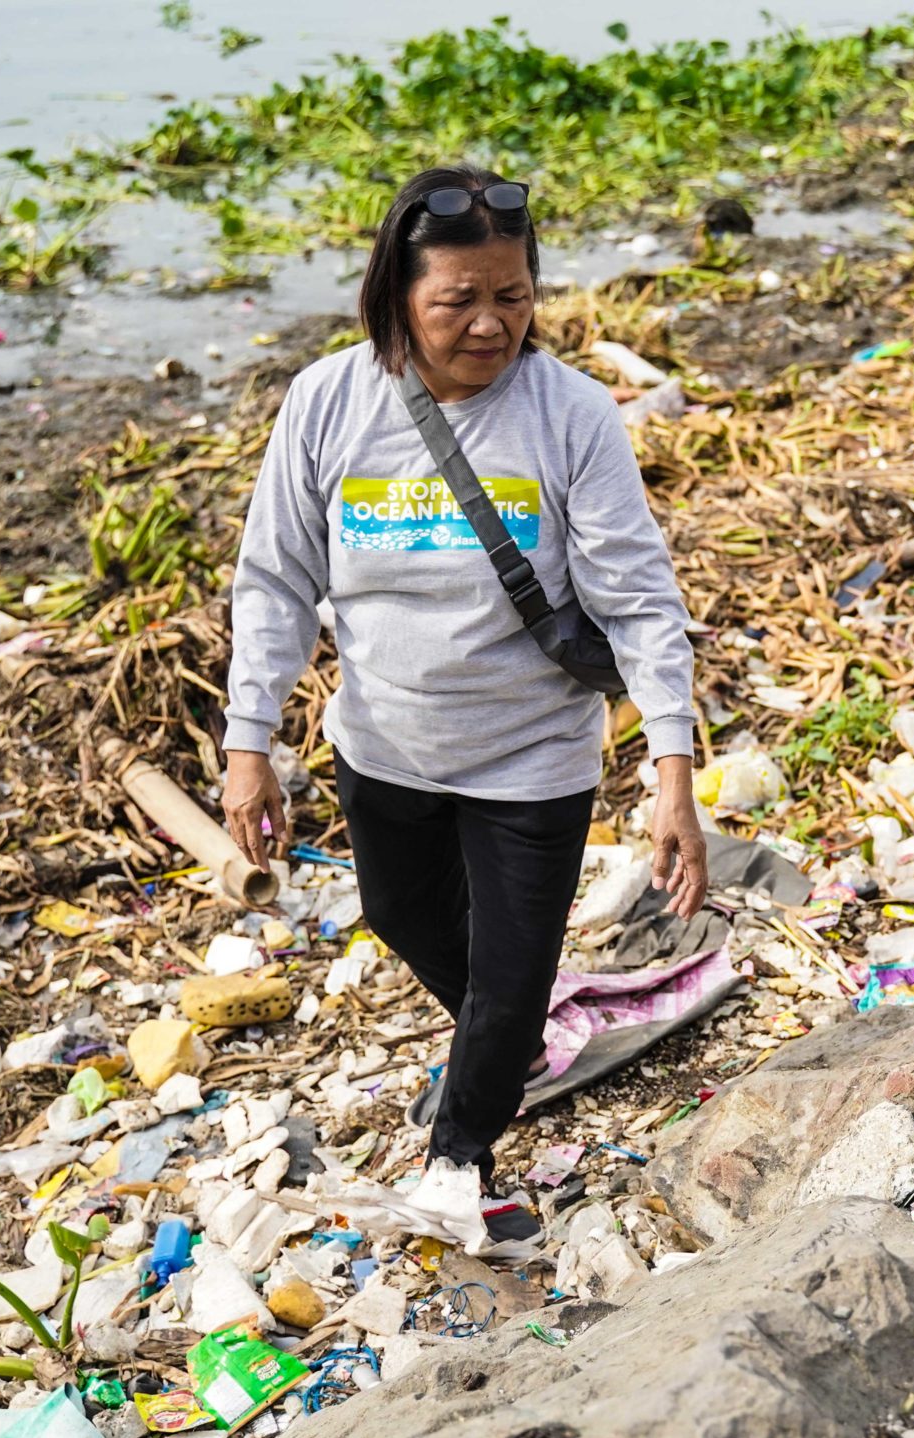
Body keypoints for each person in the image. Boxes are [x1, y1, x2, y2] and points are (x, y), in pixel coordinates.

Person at [219, 164, 708, 1222]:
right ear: (397, 295)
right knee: (401, 916)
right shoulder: (326, 403)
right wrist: (245, 742)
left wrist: (672, 773)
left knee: (510, 969)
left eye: (512, 297)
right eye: (457, 302)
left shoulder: (571, 415)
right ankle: (511, 1035)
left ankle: (460, 1153)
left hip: (533, 753)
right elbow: (275, 580)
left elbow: (639, 599)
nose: (489, 326)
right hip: (383, 740)